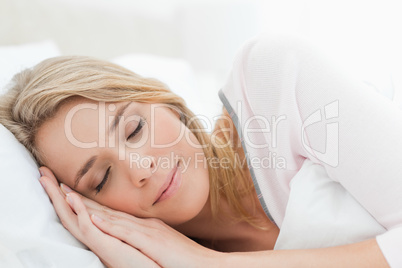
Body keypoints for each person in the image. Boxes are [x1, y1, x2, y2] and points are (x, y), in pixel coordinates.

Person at [0, 33, 399, 267]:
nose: (140, 167)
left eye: (135, 128)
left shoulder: (272, 79)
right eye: (102, 179)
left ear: (161, 100)